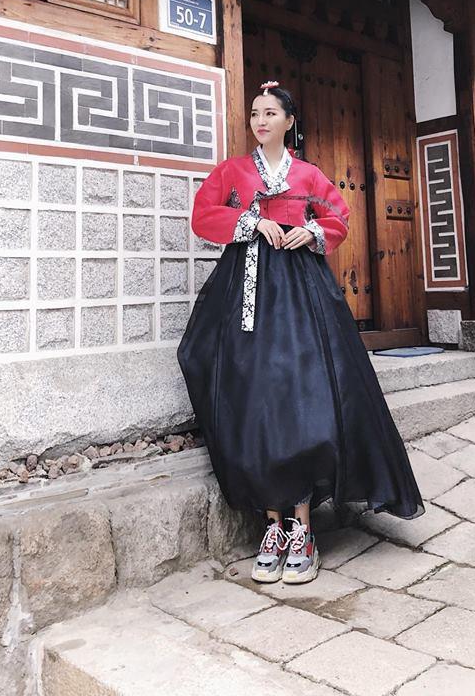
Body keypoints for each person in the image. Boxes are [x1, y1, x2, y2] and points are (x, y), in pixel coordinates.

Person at [177, 81, 424, 585]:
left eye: (270, 113)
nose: (260, 121)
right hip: (247, 291)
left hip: (301, 293)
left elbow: (338, 216)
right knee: (254, 397)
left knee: (302, 395)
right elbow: (203, 215)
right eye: (255, 113)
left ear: (289, 121)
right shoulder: (232, 171)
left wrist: (309, 231)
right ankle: (274, 525)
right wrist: (251, 221)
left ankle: (303, 529)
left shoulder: (308, 174)